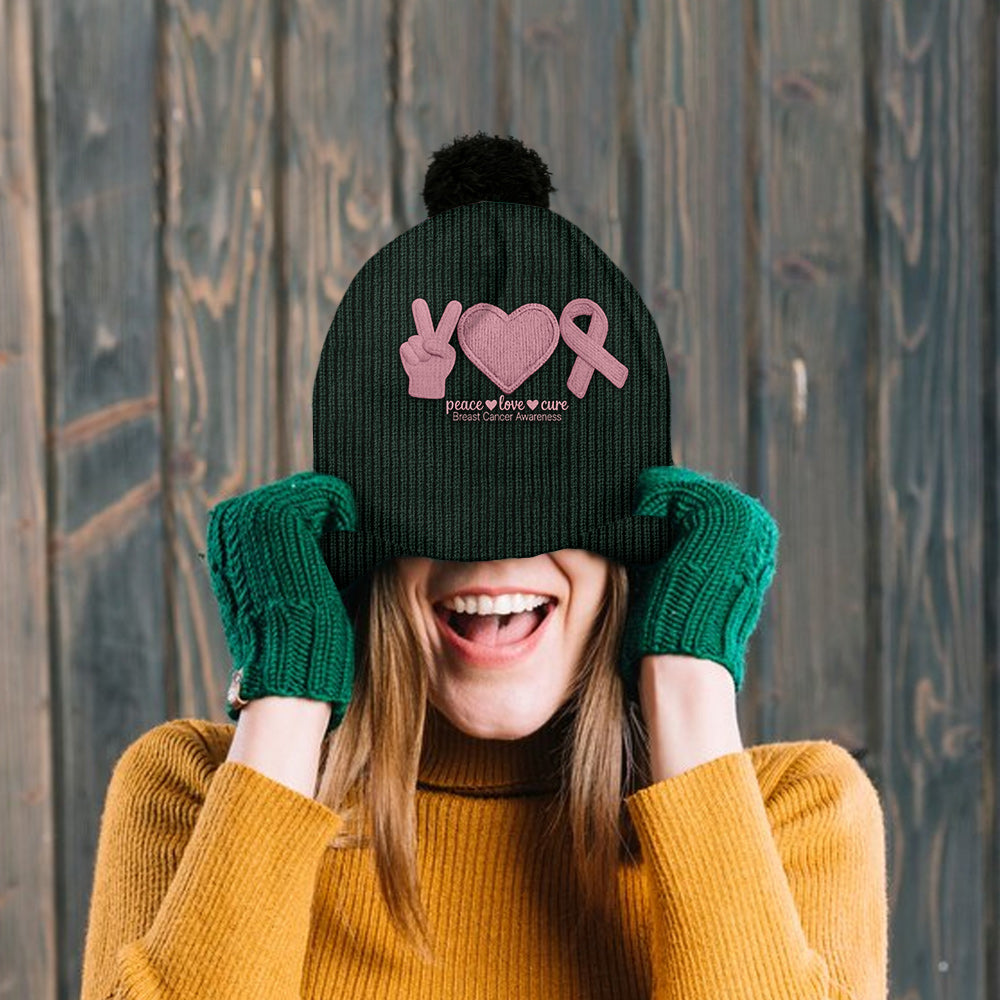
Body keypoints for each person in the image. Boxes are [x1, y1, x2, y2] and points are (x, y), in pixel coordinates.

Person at [79, 133, 889, 999]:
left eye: (550, 498)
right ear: (360, 536)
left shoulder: (793, 817)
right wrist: (288, 696)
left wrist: (689, 684)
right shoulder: (197, 798)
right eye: (441, 499)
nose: (497, 551)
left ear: (634, 534)